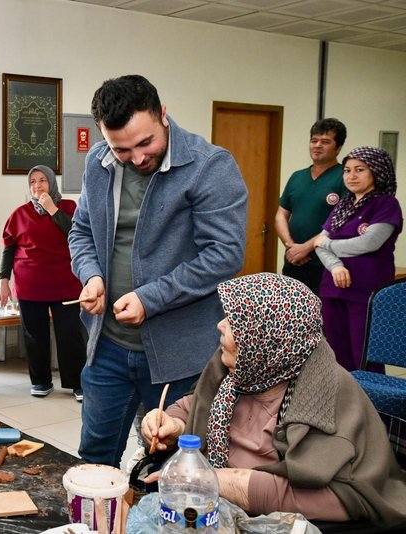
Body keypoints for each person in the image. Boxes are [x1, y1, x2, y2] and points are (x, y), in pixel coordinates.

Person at [69, 74, 247, 467]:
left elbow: (224, 255)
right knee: (94, 459)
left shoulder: (209, 167)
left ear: (163, 114)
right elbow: (81, 230)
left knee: (169, 466)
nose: (136, 158)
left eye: (145, 142)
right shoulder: (98, 163)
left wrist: (151, 299)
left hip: (178, 355)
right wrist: (91, 274)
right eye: (121, 149)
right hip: (107, 347)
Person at [141, 273, 406, 525]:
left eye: (234, 322)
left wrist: (212, 481)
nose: (220, 325)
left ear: (268, 338)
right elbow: (196, 405)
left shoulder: (326, 394)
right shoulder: (243, 366)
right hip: (213, 508)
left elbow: (342, 497)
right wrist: (173, 424)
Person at [0, 165, 86, 401]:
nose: (37, 186)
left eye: (42, 180)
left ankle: (77, 383)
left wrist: (52, 210)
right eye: (33, 182)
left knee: (71, 334)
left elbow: (74, 234)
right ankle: (41, 381)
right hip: (30, 285)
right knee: (34, 335)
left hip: (65, 283)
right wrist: (3, 280)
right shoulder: (19, 214)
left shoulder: (69, 207)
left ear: (52, 183)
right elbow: (9, 248)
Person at [315, 146, 403, 372]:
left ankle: (372, 405)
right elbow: (319, 245)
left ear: (376, 172)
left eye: (359, 170)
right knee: (335, 354)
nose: (351, 176)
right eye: (346, 170)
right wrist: (335, 266)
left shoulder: (386, 204)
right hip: (333, 289)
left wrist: (329, 245)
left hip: (366, 292)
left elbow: (369, 243)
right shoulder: (343, 205)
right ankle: (342, 405)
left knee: (364, 356)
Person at [275, 118, 347, 294]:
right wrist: (291, 246)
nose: (317, 146)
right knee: (291, 314)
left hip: (326, 264)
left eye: (325, 142)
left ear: (338, 148)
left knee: (322, 317)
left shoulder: (344, 178)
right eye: (314, 141)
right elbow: (281, 215)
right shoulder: (297, 177)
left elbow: (342, 223)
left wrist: (305, 247)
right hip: (293, 262)